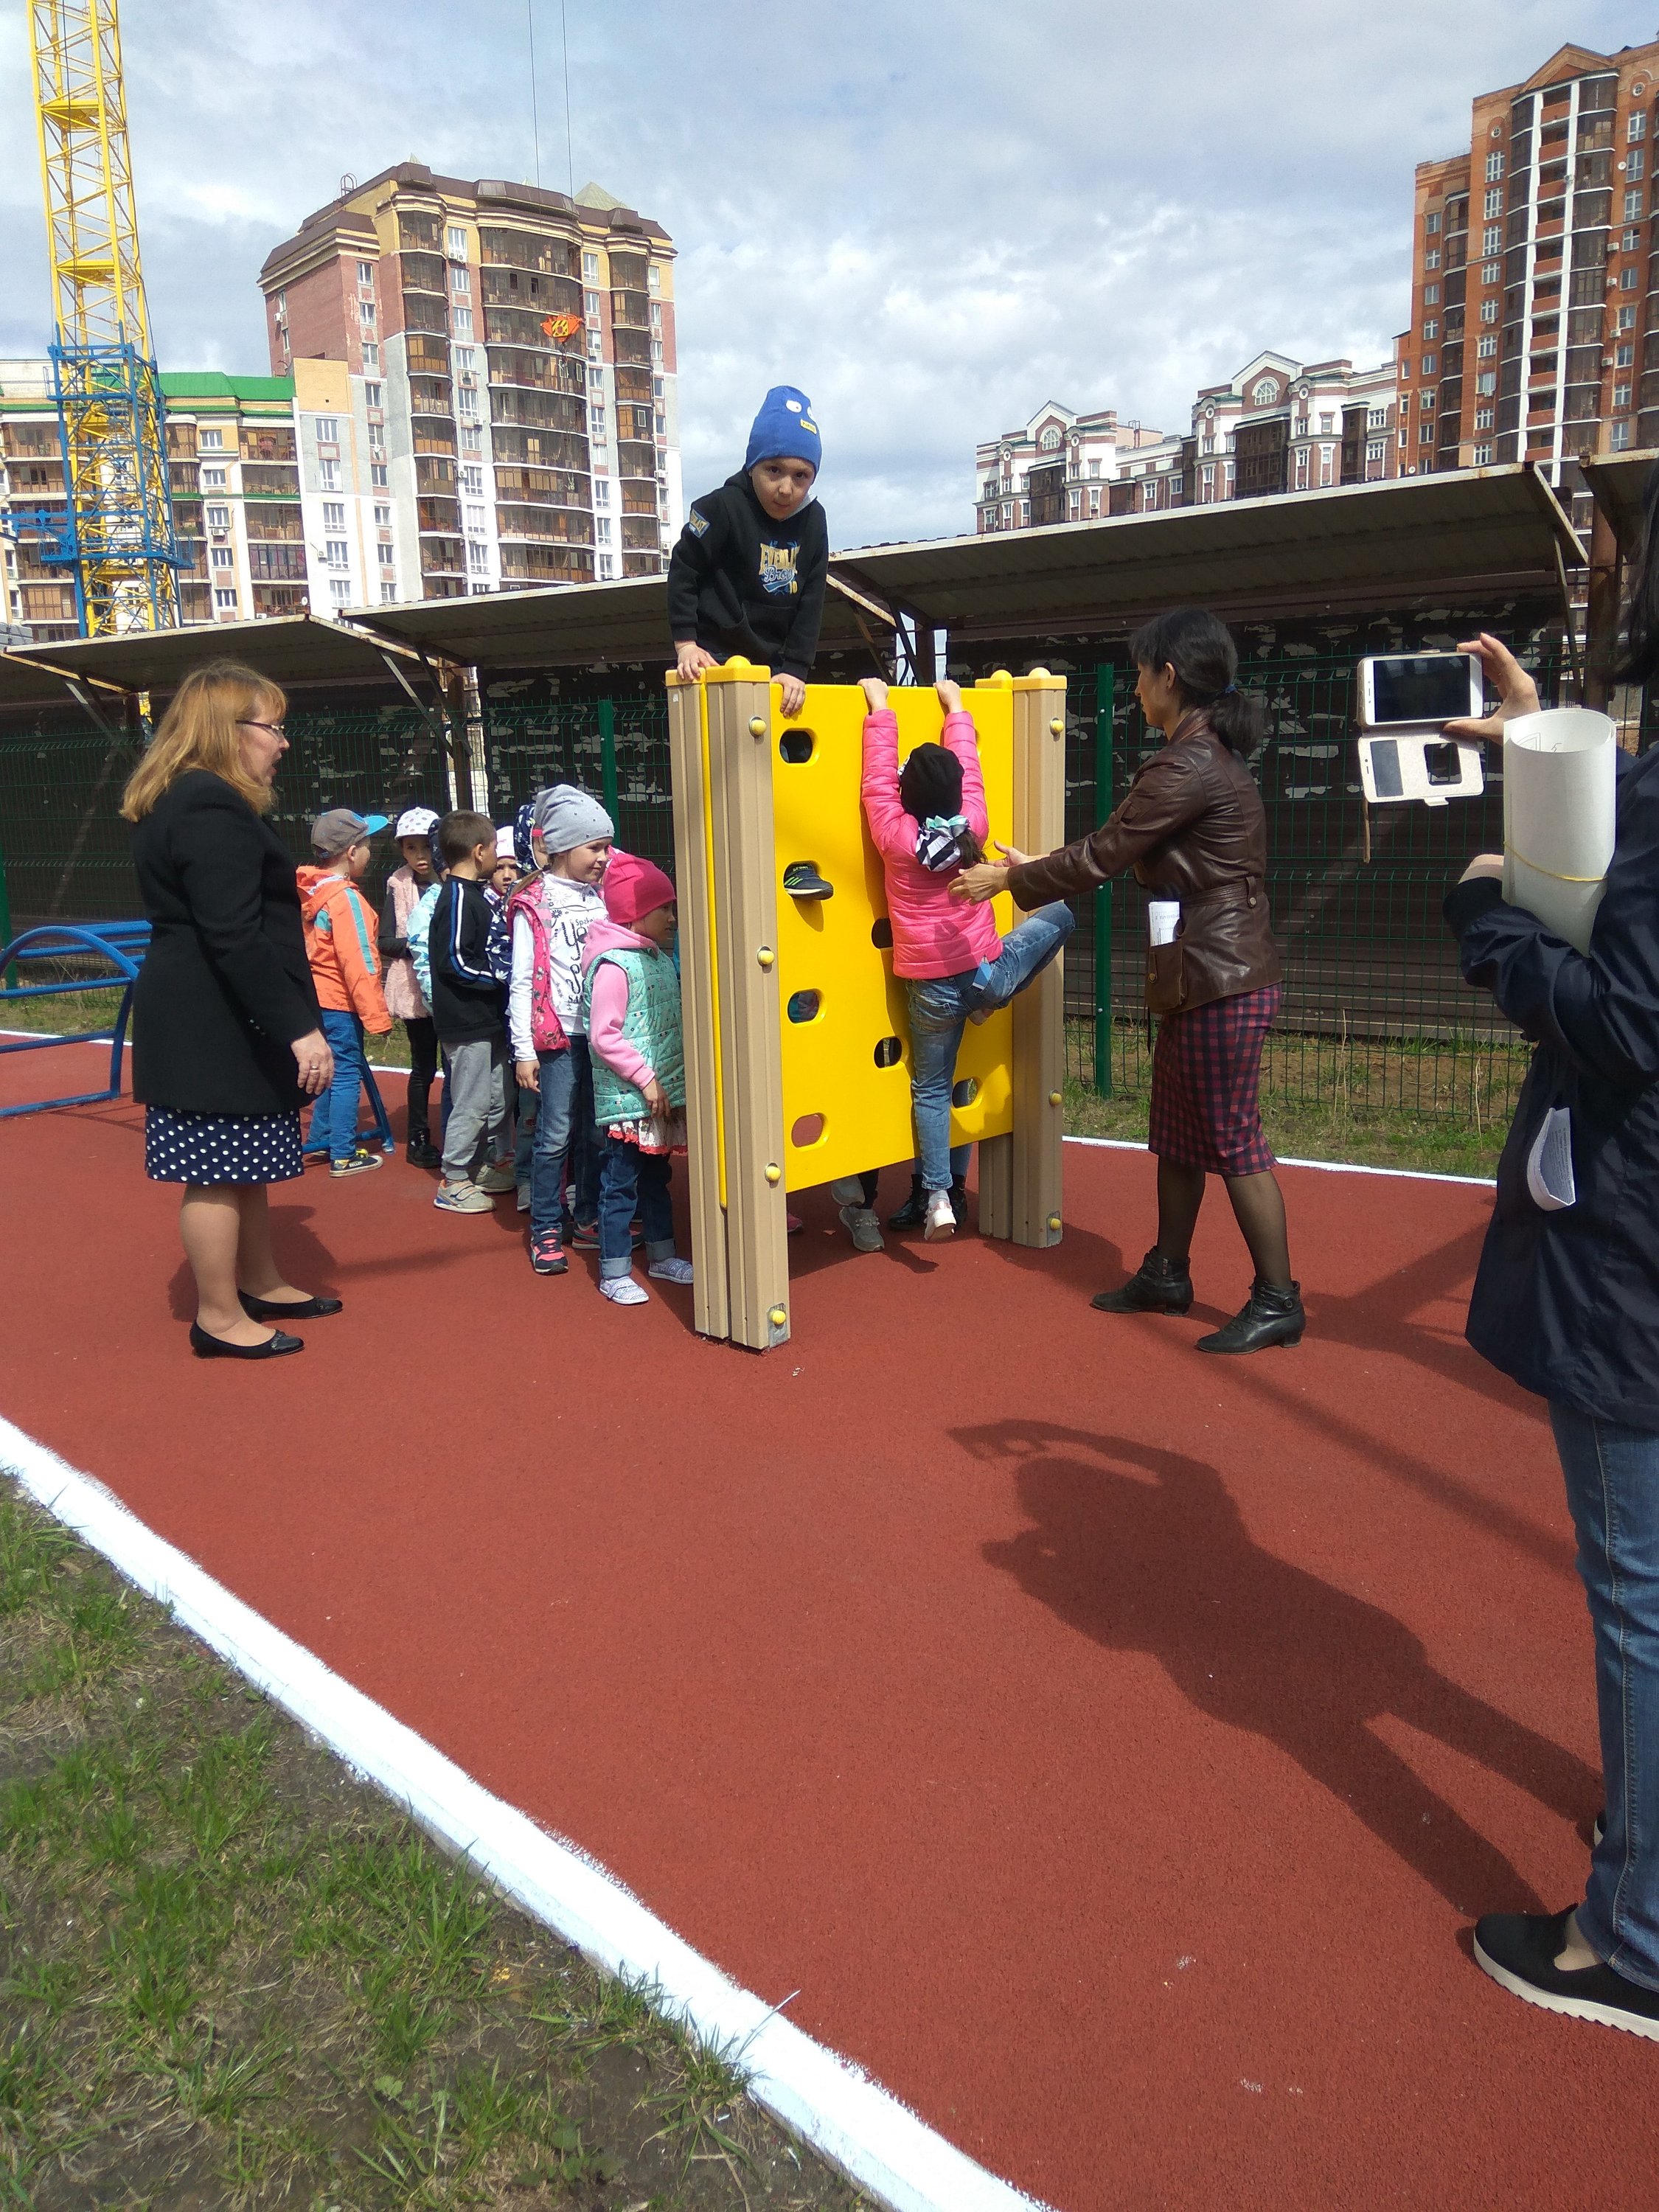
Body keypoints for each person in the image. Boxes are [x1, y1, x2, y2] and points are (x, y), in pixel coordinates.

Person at [1439, 623, 1659, 2037]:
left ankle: (1631, 1939)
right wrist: (1548, 747)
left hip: (1636, 1255)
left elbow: (1627, 1015)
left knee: (1638, 1591)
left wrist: (1490, 922)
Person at [955, 606, 1299, 1354]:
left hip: (1221, 972)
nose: (1135, 691)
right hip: (1201, 968)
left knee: (1232, 1139)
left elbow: (1108, 852)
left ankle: (1278, 1299)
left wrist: (1012, 880)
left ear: (1168, 676)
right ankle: (1167, 1273)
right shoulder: (1203, 757)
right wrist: (1029, 867)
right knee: (1178, 1134)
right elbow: (1130, 851)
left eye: (1141, 676)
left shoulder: (1189, 763)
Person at [121, 659, 340, 1360]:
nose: (282, 743)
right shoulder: (207, 803)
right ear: (227, 730)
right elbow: (233, 933)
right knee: (215, 1168)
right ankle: (217, 1317)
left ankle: (260, 1282)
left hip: (217, 1015)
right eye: (272, 728)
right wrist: (300, 1030)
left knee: (242, 1163)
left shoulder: (195, 800)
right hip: (211, 1021)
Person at [857, 674, 1074, 1244]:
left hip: (929, 986)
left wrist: (880, 707)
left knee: (929, 1088)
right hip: (984, 971)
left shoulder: (896, 837)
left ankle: (936, 1197)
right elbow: (968, 764)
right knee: (1060, 915)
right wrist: (956, 708)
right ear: (956, 797)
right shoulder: (974, 825)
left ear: (907, 796)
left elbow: (876, 781)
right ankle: (991, 1001)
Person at [667, 384, 827, 720]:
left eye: (801, 476)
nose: (786, 488)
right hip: (713, 659)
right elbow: (684, 569)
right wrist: (686, 645)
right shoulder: (722, 507)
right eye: (774, 471)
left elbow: (812, 601)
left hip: (774, 666)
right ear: (752, 465)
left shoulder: (814, 521)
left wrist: (797, 668)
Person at [508, 784, 614, 1276]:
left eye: (607, 847)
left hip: (599, 1035)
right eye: (596, 847)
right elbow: (523, 980)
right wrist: (523, 1051)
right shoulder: (535, 902)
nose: (604, 857)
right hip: (556, 1038)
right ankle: (546, 1226)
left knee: (596, 1132)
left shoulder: (601, 898)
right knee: (555, 1134)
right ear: (565, 847)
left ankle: (587, 1213)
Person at [580, 852, 694, 1307]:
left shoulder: (654, 957)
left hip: (655, 1099)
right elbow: (604, 1037)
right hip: (631, 1100)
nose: (672, 915)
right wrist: (647, 1080)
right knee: (620, 1184)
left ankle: (663, 1255)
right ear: (637, 912)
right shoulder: (614, 966)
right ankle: (614, 1270)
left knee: (655, 1179)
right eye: (664, 907)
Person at [428, 810, 516, 1215]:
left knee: (498, 1096)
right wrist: (499, 979)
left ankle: (480, 1165)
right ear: (479, 852)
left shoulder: (476, 894)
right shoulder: (459, 898)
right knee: (472, 1100)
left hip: (487, 1019)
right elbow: (455, 962)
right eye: (496, 849)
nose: (500, 857)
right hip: (465, 1023)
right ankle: (454, 1178)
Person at [297, 807, 393, 1178]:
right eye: (368, 845)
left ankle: (323, 1136)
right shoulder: (346, 899)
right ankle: (343, 1151)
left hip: (316, 998)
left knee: (327, 1068)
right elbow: (360, 962)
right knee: (347, 1072)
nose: (371, 853)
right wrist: (376, 1016)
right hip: (338, 1001)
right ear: (352, 852)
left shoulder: (312, 891)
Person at [378, 805, 442, 1168]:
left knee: (456, 1064)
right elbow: (386, 940)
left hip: (450, 988)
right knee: (423, 1066)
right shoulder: (397, 884)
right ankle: (418, 1138)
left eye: (425, 846)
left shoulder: (450, 881)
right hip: (416, 990)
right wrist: (419, 944)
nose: (420, 856)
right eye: (411, 848)